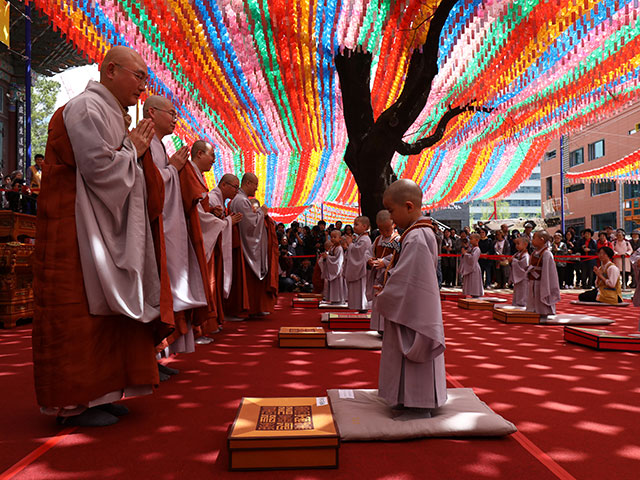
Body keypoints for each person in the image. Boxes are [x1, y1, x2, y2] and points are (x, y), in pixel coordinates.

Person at [32, 46, 170, 427]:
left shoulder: (113, 113)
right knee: (79, 313)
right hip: (74, 229)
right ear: (111, 71)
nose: (144, 88)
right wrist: (135, 148)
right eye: (139, 76)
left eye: (146, 79)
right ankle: (74, 402)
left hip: (102, 226)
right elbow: (101, 172)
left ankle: (103, 393)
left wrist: (133, 149)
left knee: (107, 315)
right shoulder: (86, 108)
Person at [142, 96, 208, 368]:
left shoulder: (160, 146)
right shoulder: (145, 143)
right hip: (157, 230)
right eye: (170, 113)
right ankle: (154, 356)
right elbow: (150, 185)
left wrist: (171, 169)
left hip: (170, 229)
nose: (175, 118)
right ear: (151, 113)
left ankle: (160, 358)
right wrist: (173, 170)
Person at [375, 179, 446, 420]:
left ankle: (418, 405)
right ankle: (406, 399)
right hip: (413, 306)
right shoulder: (419, 233)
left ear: (408, 206)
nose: (392, 219)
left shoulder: (417, 237)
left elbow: (410, 280)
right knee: (404, 348)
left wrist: (386, 294)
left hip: (414, 309)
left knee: (412, 347)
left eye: (393, 211)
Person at [180, 141, 241, 335]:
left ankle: (207, 323)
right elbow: (194, 212)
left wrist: (212, 212)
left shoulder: (197, 176)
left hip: (205, 237)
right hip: (196, 238)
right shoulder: (188, 173)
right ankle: (199, 327)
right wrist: (226, 222)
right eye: (212, 156)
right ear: (199, 154)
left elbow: (200, 209)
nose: (214, 160)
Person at [228, 173, 279, 317]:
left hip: (244, 245)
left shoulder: (241, 200)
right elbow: (250, 226)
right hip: (245, 247)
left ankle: (253, 308)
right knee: (246, 280)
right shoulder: (241, 201)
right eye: (255, 185)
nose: (256, 189)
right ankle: (245, 309)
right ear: (248, 183)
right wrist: (262, 213)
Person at [367, 210, 400, 332]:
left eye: (387, 229)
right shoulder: (377, 240)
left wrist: (385, 262)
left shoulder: (397, 240)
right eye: (381, 230)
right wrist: (370, 260)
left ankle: (387, 329)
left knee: (387, 302)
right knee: (378, 301)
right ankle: (378, 327)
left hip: (389, 276)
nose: (384, 233)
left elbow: (397, 256)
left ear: (394, 225)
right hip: (377, 275)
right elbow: (369, 252)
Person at [526, 231, 561, 316]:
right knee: (532, 296)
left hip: (541, 280)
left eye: (534, 238)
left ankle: (544, 311)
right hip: (533, 280)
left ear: (541, 240)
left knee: (541, 295)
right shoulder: (534, 253)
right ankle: (532, 310)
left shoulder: (547, 254)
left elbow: (548, 272)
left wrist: (545, 283)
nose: (532, 240)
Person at [343, 216, 372, 312]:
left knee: (361, 289)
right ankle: (360, 308)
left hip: (361, 269)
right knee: (357, 290)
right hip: (359, 268)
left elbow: (358, 253)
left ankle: (363, 308)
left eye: (356, 224)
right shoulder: (360, 238)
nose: (354, 227)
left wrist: (350, 244)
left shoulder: (365, 239)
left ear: (364, 226)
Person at [318, 232, 347, 304]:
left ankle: (339, 300)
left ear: (339, 238)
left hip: (337, 270)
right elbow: (331, 258)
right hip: (332, 269)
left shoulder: (339, 248)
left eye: (335, 237)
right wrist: (325, 257)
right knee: (332, 285)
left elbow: (337, 260)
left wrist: (327, 257)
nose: (333, 239)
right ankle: (333, 299)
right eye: (331, 237)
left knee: (338, 285)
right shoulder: (332, 247)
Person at [459, 233, 484, 297]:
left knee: (474, 283)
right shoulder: (471, 248)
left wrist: (465, 254)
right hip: (471, 268)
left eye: (471, 239)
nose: (470, 240)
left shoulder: (477, 249)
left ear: (477, 240)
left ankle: (475, 295)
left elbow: (472, 259)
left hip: (474, 268)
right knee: (470, 283)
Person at [510, 236, 530, 306]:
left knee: (523, 292)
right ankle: (516, 303)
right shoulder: (517, 254)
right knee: (517, 291)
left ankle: (523, 304)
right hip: (518, 277)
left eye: (518, 244)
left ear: (525, 244)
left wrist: (513, 261)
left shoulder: (526, 255)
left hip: (523, 277)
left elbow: (524, 266)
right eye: (516, 244)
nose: (516, 246)